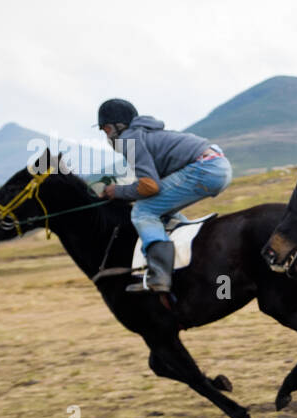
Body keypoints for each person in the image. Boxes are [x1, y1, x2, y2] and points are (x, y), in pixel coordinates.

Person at [97, 99, 231, 293]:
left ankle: (159, 275)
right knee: (159, 210)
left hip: (206, 169)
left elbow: (150, 186)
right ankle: (184, 258)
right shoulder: (145, 134)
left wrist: (116, 191)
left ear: (119, 127)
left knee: (143, 212)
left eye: (106, 130)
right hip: (217, 164)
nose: (107, 136)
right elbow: (150, 186)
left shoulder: (129, 139)